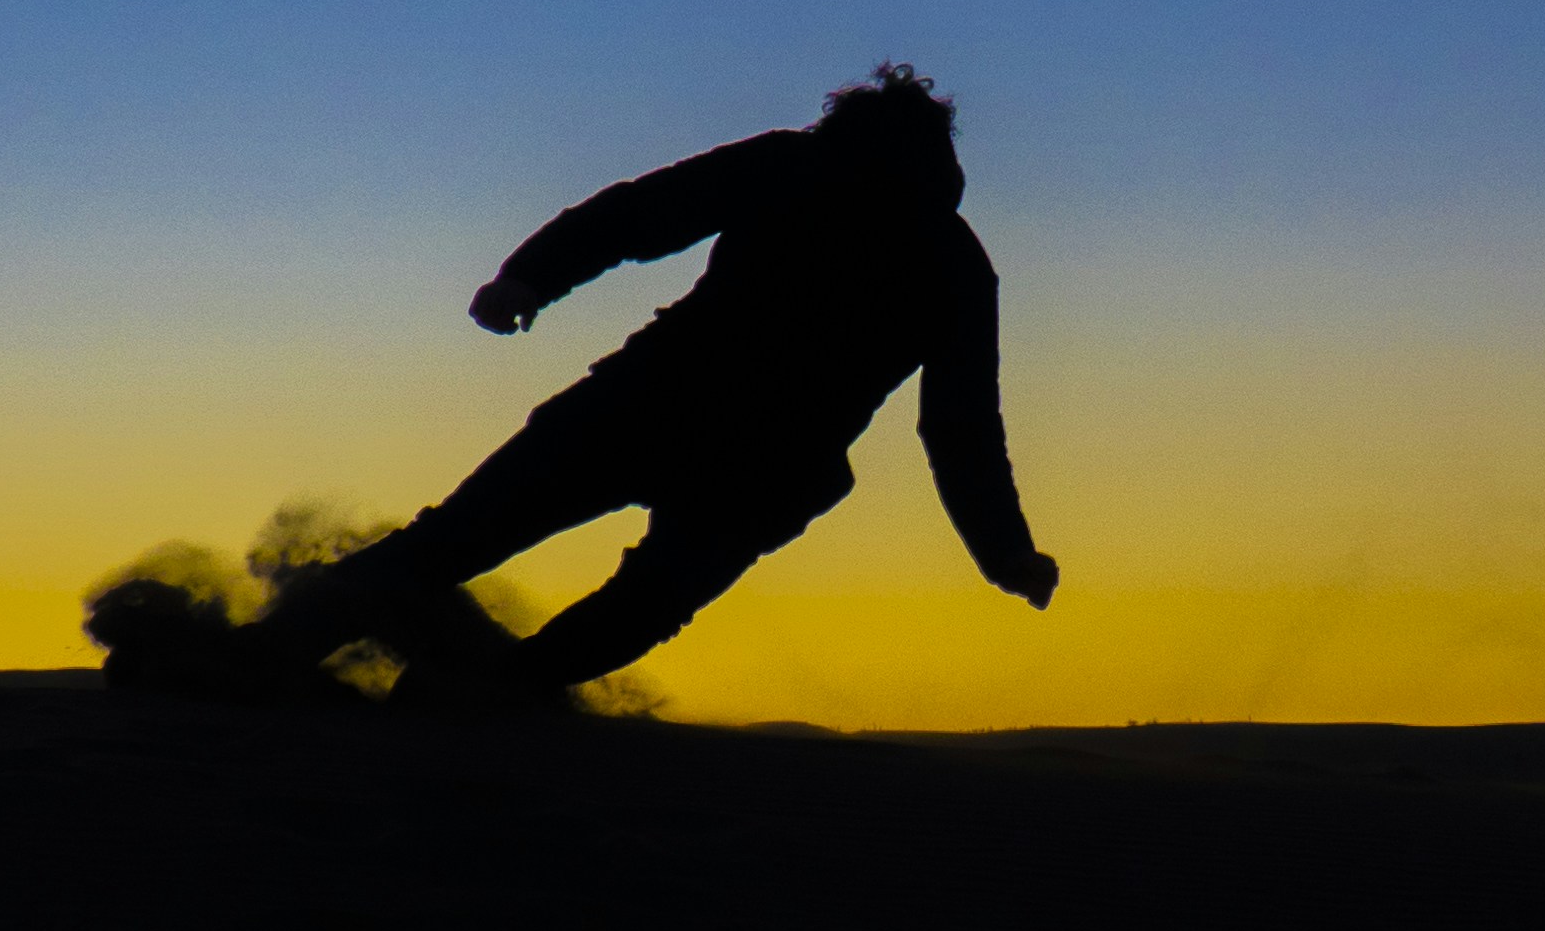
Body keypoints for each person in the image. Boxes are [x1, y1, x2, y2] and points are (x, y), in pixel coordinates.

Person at [241, 63, 1056, 701]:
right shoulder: (880, 217)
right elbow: (640, 214)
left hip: (707, 437)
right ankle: (284, 659)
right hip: (678, 420)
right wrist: (528, 279)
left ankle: (466, 690)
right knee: (509, 556)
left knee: (553, 571)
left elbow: (960, 428)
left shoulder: (915, 242)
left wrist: (1006, 555)